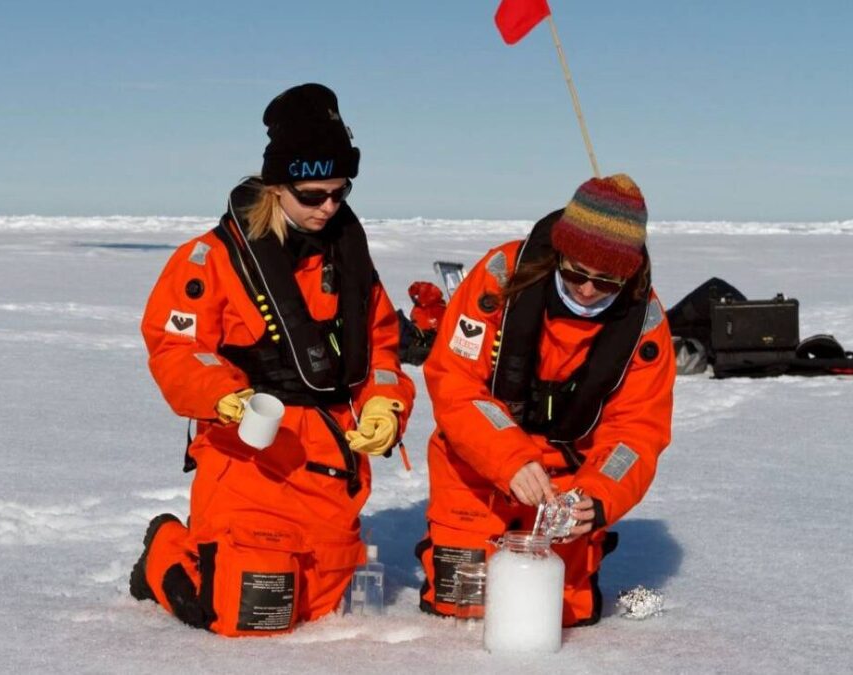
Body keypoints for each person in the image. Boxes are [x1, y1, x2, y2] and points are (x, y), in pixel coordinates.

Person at [129, 83, 415, 636]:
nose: (328, 207)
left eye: (340, 192)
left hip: (331, 464)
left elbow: (382, 347)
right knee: (250, 614)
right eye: (312, 195)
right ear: (277, 186)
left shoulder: (351, 262)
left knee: (323, 610)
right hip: (250, 459)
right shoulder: (209, 261)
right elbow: (175, 346)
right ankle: (164, 551)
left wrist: (385, 405)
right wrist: (223, 396)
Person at [416, 174, 674, 626]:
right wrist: (509, 459)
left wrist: (596, 500)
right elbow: (455, 382)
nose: (588, 290)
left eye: (607, 280)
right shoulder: (499, 277)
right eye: (576, 272)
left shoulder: (644, 328)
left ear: (628, 275)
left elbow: (637, 434)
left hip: (567, 484)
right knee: (467, 610)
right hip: (478, 463)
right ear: (558, 251)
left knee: (555, 614)